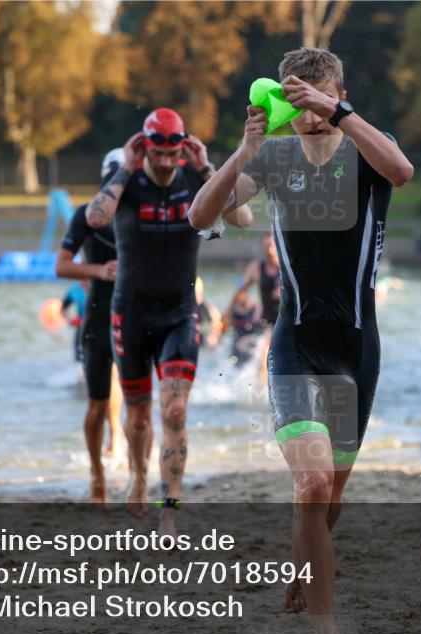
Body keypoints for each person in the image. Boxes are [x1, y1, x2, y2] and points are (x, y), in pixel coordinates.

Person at [188, 47, 413, 634]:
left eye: (319, 99)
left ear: (338, 93)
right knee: (311, 484)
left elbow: (401, 171)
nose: (309, 115)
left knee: (329, 501)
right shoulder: (280, 159)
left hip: (357, 348)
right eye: (299, 102)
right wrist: (243, 152)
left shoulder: (366, 149)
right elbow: (202, 216)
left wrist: (338, 113)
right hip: (294, 343)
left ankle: (304, 565)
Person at [84, 108, 253, 534]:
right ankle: (139, 476)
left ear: (182, 149)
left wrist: (206, 168)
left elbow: (242, 218)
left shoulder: (194, 178)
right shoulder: (128, 182)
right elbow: (96, 218)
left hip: (179, 311)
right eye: (156, 153)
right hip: (131, 311)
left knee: (174, 409)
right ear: (144, 149)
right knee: (139, 417)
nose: (164, 162)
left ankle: (170, 507)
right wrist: (125, 167)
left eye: (172, 153)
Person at [55, 148, 126, 503]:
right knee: (96, 401)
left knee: (140, 403)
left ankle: (136, 468)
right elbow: (62, 266)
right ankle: (97, 474)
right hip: (98, 317)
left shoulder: (141, 213)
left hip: (134, 318)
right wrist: (97, 271)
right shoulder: (87, 215)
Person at [227, 234, 281, 382]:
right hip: (265, 319)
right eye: (266, 246)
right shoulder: (257, 268)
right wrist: (228, 311)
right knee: (262, 354)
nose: (268, 250)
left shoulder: (285, 268)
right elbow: (241, 291)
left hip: (283, 320)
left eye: (271, 246)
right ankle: (259, 389)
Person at [223, 283, 263, 367]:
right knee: (232, 356)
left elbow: (261, 331)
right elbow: (223, 325)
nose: (241, 294)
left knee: (242, 346)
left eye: (244, 291)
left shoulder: (256, 308)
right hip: (237, 340)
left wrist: (246, 339)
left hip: (253, 339)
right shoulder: (232, 309)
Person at [60, 279, 89, 363]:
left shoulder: (99, 287)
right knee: (80, 361)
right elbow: (62, 309)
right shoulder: (74, 290)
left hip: (99, 328)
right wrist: (70, 320)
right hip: (81, 329)